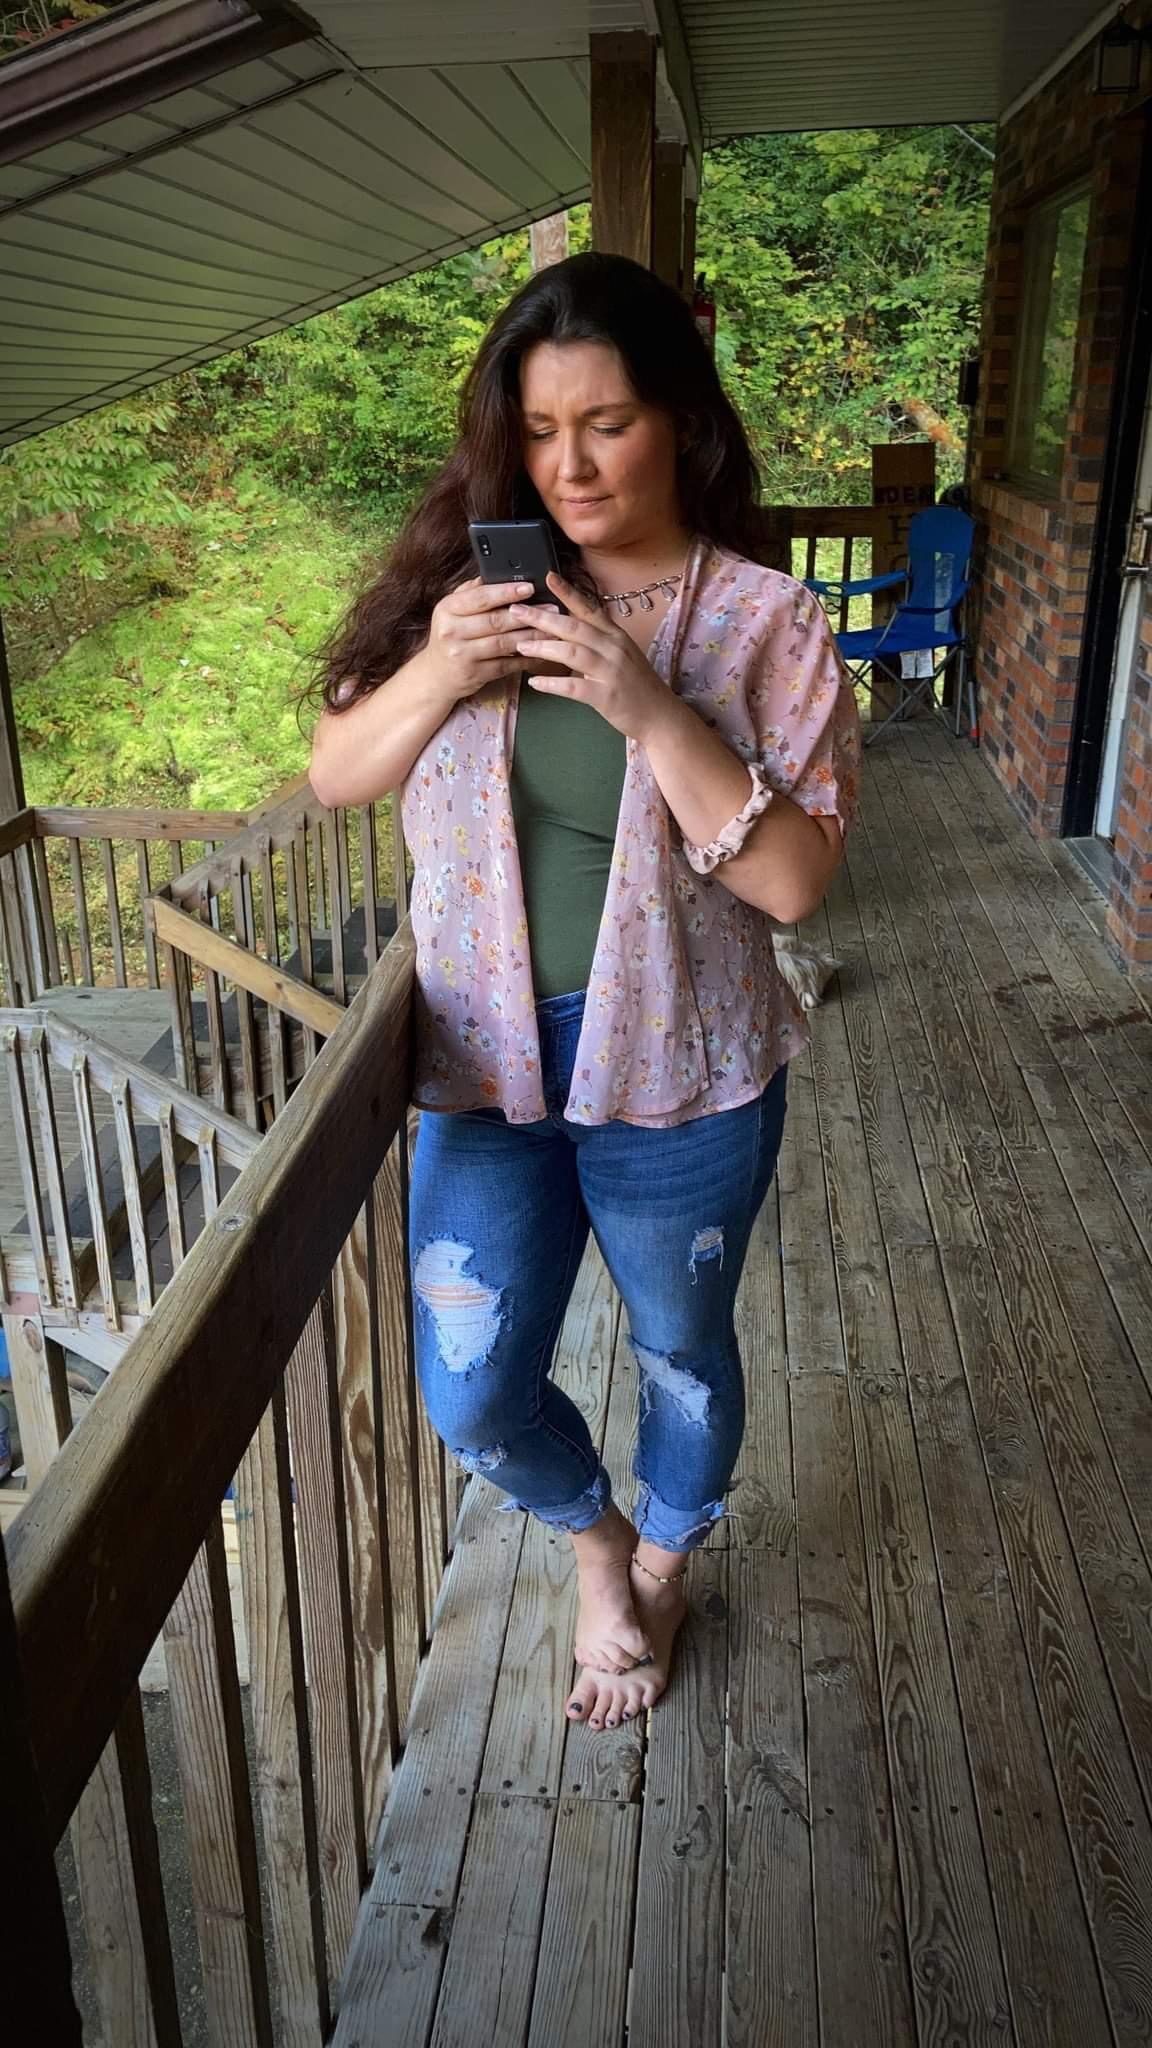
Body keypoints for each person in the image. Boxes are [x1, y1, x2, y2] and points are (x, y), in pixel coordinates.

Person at [310, 252, 860, 1735]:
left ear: (681, 419)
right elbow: (338, 771)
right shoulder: (463, 597)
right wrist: (439, 669)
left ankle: (661, 1570)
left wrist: (646, 703)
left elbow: (796, 883)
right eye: (542, 431)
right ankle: (594, 1539)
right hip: (484, 1070)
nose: (572, 464)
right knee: (472, 1386)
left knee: (682, 1352)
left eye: (607, 424)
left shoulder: (764, 623)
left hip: (687, 1072)